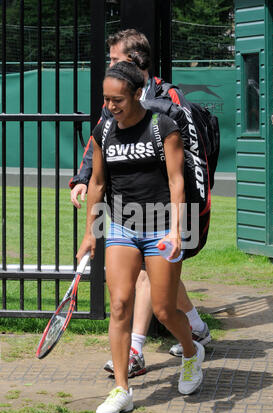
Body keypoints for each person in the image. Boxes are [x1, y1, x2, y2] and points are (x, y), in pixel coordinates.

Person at [70, 29, 211, 377]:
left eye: (116, 59)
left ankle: (165, 343)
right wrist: (82, 179)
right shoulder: (114, 102)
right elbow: (101, 142)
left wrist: (188, 216)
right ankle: (157, 345)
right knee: (131, 293)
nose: (111, 66)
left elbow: (189, 161)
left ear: (134, 63)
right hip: (124, 214)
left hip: (164, 210)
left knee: (160, 294)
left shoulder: (168, 100)